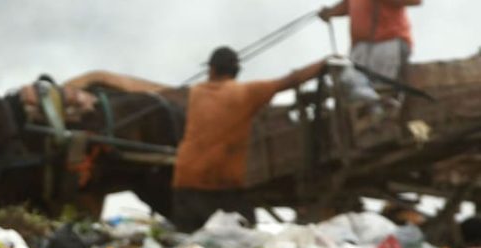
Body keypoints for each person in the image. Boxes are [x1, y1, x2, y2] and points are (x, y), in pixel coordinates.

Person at [172, 47, 326, 232]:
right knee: (243, 238)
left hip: (185, 182)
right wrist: (324, 63)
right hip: (222, 188)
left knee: (189, 242)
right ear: (236, 71)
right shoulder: (246, 93)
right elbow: (290, 80)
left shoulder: (196, 92)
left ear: (211, 70)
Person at [319, 0, 421, 81]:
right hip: (361, 49)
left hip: (388, 44)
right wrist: (331, 11)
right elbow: (350, 3)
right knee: (354, 87)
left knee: (376, 89)